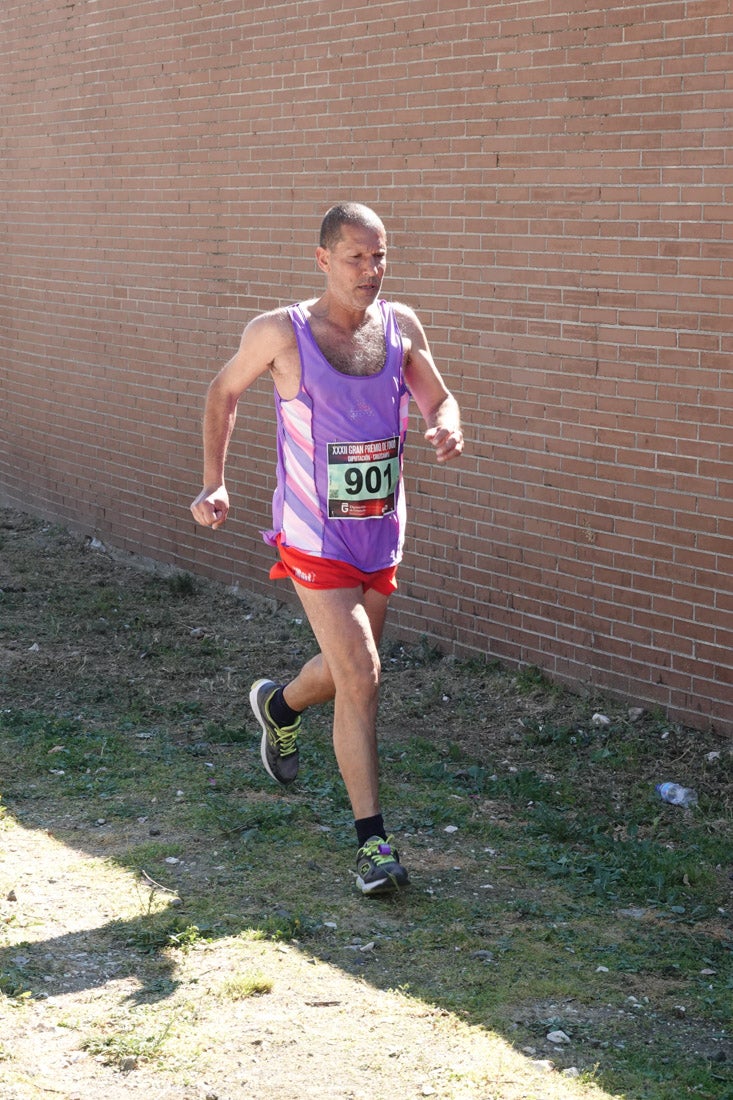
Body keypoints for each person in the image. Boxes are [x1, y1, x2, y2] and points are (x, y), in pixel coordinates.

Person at [190, 202, 463, 895]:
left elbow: (438, 396)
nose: (371, 271)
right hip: (314, 535)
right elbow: (223, 393)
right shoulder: (280, 332)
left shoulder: (399, 326)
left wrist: (446, 425)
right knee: (364, 675)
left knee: (346, 671)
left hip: (380, 532)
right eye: (356, 258)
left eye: (380, 257)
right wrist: (213, 484)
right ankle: (373, 847)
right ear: (322, 260)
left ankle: (280, 707)